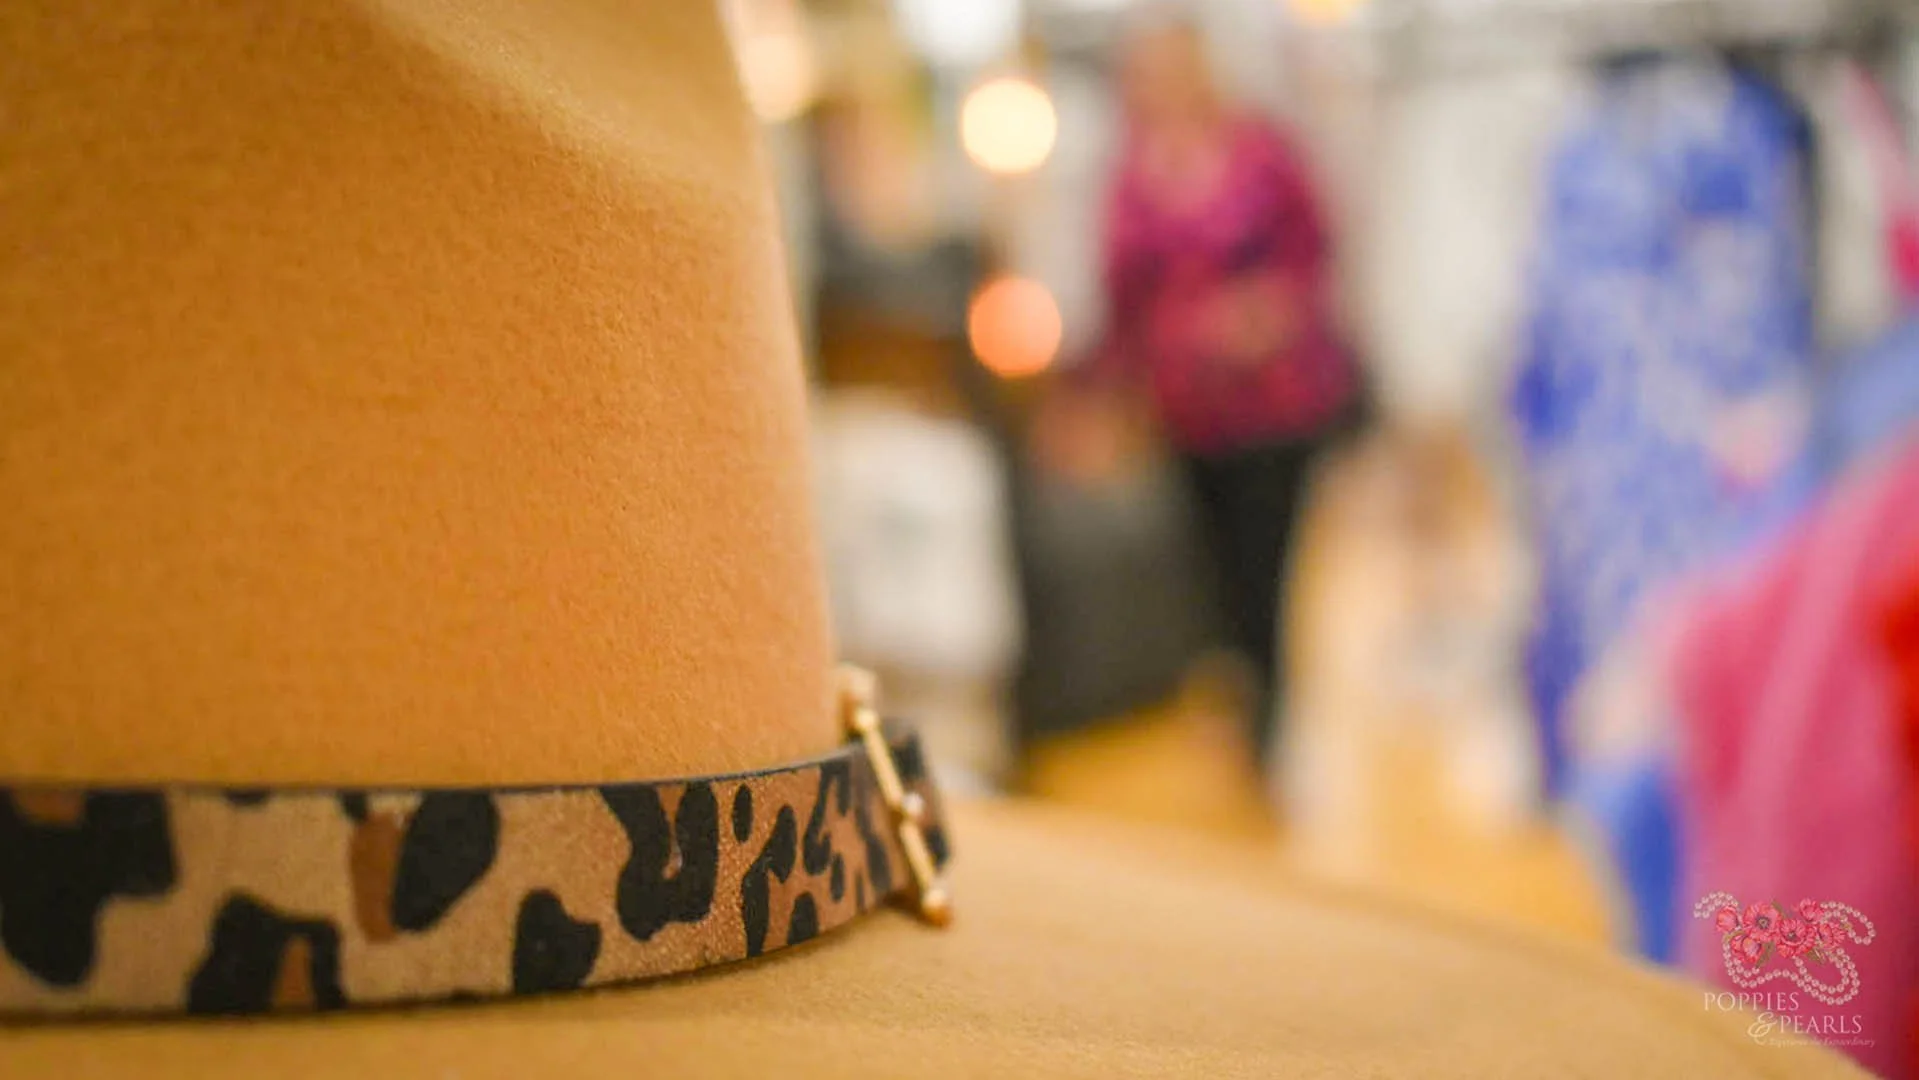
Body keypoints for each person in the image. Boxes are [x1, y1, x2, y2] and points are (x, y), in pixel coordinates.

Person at [1088, 17, 1361, 770]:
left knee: (1265, 564)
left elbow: (1316, 256)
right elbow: (1119, 303)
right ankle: (1235, 700)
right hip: (1184, 411)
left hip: (1276, 407)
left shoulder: (1261, 154)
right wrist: (1105, 394)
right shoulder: (1131, 174)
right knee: (1202, 568)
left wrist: (1266, 313)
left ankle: (1269, 726)